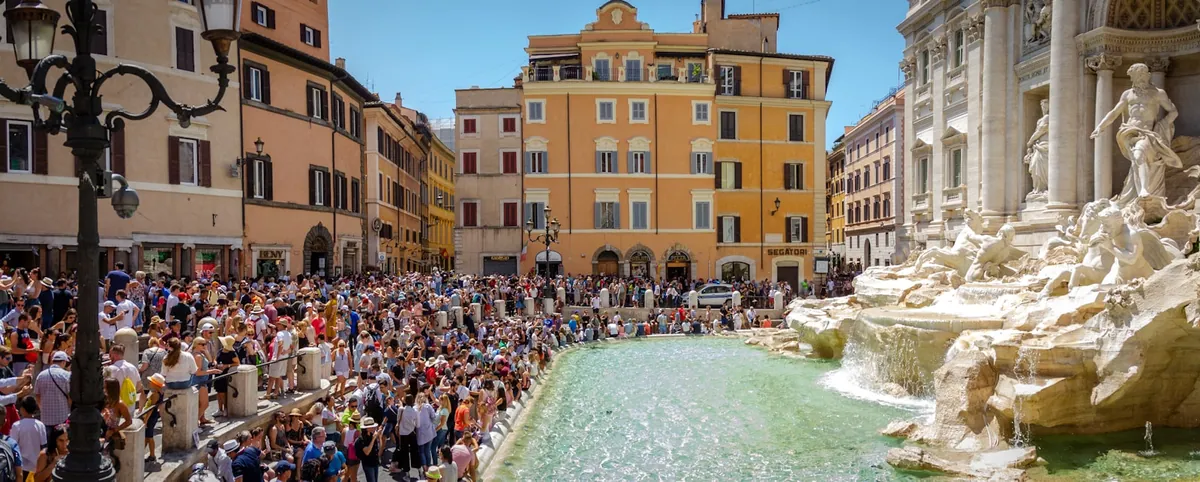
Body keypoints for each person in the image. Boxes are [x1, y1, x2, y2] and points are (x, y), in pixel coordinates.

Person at [101, 378, 131, 473]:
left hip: (109, 436)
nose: (103, 389)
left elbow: (128, 421)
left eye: (105, 387)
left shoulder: (120, 404)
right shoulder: (103, 401)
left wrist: (115, 430)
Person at [33, 352, 70, 427]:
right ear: (63, 362)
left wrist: (42, 409)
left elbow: (37, 395)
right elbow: (70, 396)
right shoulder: (67, 375)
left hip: (46, 418)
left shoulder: (41, 375)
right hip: (62, 417)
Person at [8, 397, 41, 478]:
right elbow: (44, 445)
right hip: (37, 466)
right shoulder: (40, 425)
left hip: (21, 466)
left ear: (22, 409)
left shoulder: (17, 425)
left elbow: (12, 446)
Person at [213, 336, 240, 418]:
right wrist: (215, 364)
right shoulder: (220, 351)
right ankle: (219, 409)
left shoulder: (232, 353)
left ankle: (225, 408)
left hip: (225, 374)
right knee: (218, 392)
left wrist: (227, 365)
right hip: (218, 373)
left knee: (223, 392)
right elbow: (215, 359)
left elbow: (237, 363)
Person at [354, 417, 383, 482]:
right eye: (371, 427)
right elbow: (367, 452)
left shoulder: (373, 435)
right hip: (368, 464)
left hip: (375, 462)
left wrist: (380, 437)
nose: (373, 428)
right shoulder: (361, 439)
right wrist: (373, 439)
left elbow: (379, 452)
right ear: (366, 428)